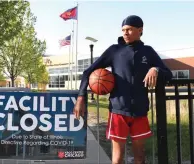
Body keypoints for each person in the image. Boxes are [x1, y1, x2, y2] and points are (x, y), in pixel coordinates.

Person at [73, 15, 173, 164]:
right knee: (118, 158)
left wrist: (156, 69)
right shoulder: (115, 50)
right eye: (123, 30)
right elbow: (88, 71)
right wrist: (81, 98)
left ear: (140, 30)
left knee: (140, 157)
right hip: (118, 111)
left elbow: (168, 74)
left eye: (129, 30)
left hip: (140, 110)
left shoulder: (148, 51)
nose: (125, 33)